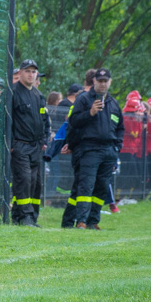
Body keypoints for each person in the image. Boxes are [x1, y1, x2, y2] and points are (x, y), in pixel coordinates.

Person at [65, 68, 124, 230]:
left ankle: (93, 221)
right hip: (89, 149)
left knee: (102, 187)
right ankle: (81, 221)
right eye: (100, 81)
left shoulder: (113, 103)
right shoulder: (83, 100)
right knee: (86, 186)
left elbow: (120, 127)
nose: (103, 84)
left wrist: (117, 147)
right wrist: (90, 112)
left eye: (106, 81)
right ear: (94, 82)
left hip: (109, 151)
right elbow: (74, 122)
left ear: (110, 82)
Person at [10, 59, 50, 226]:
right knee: (24, 179)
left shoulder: (38, 95)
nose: (31, 74)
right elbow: (5, 119)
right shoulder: (12, 92)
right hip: (19, 144)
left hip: (36, 146)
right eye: (27, 71)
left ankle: (29, 216)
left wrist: (43, 140)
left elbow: (43, 119)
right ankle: (24, 216)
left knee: (35, 182)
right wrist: (11, 143)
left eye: (34, 71)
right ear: (20, 73)